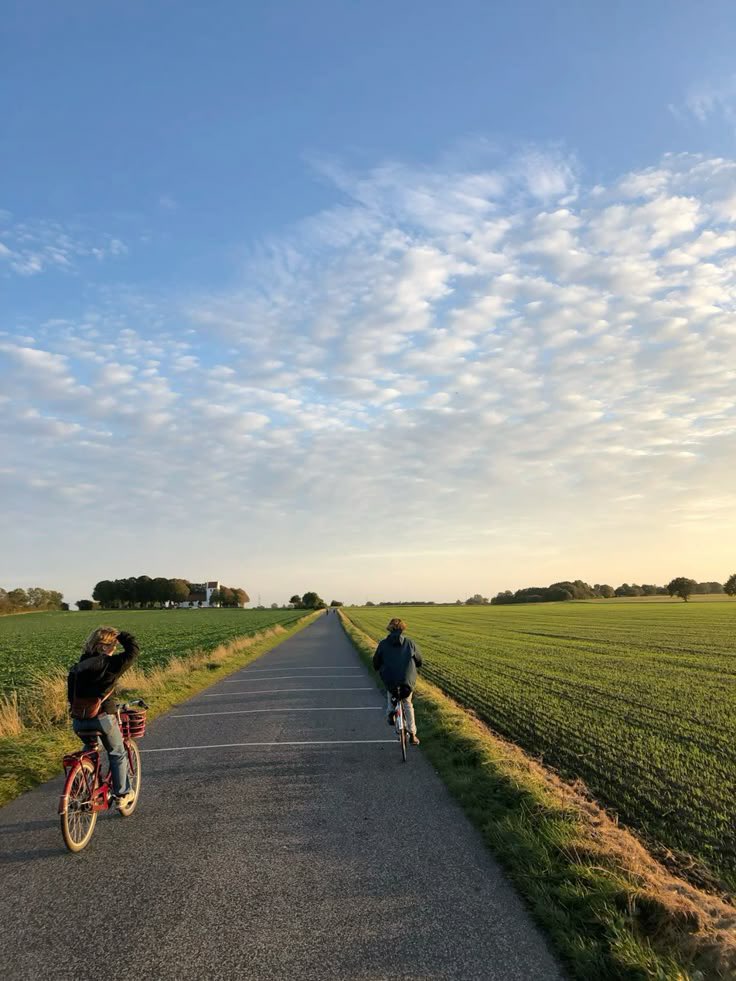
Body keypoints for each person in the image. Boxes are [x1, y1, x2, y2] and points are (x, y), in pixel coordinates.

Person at [67, 626, 140, 807]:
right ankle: (123, 794)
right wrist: (121, 635)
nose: (115, 648)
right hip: (102, 717)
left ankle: (84, 785)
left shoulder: (79, 665)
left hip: (79, 721)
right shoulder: (111, 664)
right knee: (117, 752)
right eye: (113, 645)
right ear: (104, 647)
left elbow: (71, 696)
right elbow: (133, 651)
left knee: (91, 749)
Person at [372, 617, 423, 745]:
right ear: (402, 629)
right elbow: (419, 661)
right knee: (407, 704)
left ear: (389, 629)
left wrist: (378, 667)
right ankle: (412, 734)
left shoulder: (383, 644)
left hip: (391, 680)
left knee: (391, 693)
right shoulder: (410, 643)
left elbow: (376, 662)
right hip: (407, 682)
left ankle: (390, 713)